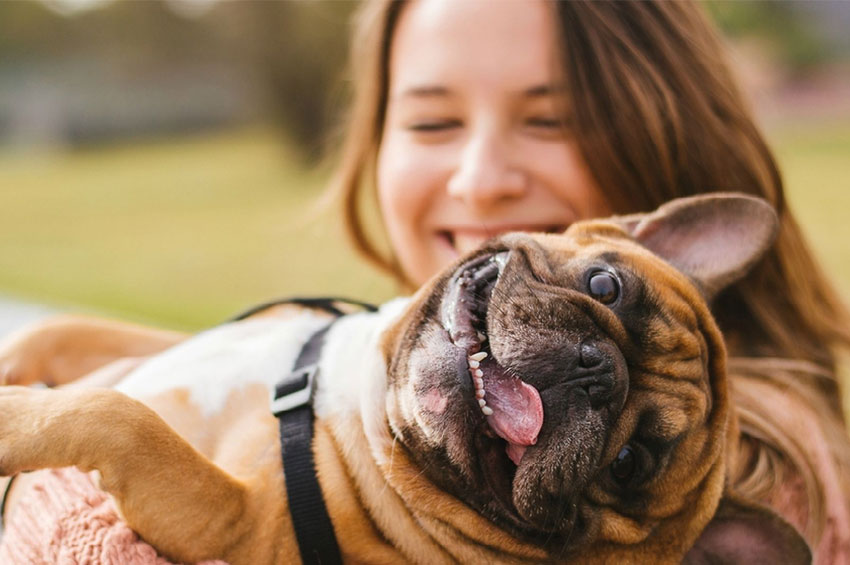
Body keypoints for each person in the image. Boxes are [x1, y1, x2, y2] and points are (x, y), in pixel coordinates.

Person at [1, 0, 848, 561]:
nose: (480, 179)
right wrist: (66, 352)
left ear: (663, 133)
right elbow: (225, 374)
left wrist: (57, 466)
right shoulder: (388, 350)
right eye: (433, 119)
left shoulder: (763, 464)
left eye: (629, 458)